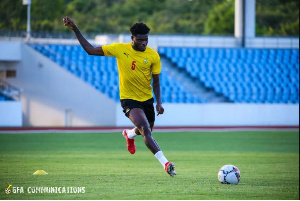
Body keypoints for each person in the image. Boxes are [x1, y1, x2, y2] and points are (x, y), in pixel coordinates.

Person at [63, 16, 176, 177]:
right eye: (140, 40)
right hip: (129, 99)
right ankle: (166, 163)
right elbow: (90, 50)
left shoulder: (153, 56)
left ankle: (129, 134)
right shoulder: (119, 49)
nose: (144, 43)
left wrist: (159, 102)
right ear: (132, 38)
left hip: (147, 99)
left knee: (147, 129)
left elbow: (156, 82)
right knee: (145, 129)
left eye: (146, 40)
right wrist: (75, 29)